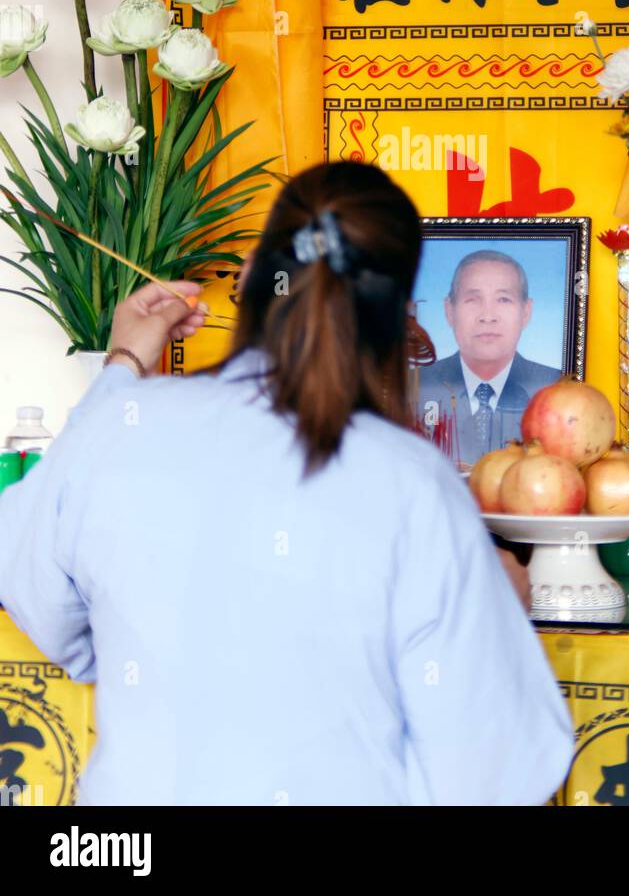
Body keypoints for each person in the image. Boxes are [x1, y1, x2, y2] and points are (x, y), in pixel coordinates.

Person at [0, 162, 573, 806]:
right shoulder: (413, 485)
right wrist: (501, 603)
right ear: (406, 318)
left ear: (252, 276)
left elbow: (31, 584)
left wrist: (124, 364)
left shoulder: (120, 430)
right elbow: (498, 770)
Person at [417, 250, 561, 466]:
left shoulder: (555, 389)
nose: (487, 316)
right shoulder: (414, 386)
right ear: (449, 311)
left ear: (526, 312)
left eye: (503, 299)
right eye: (472, 299)